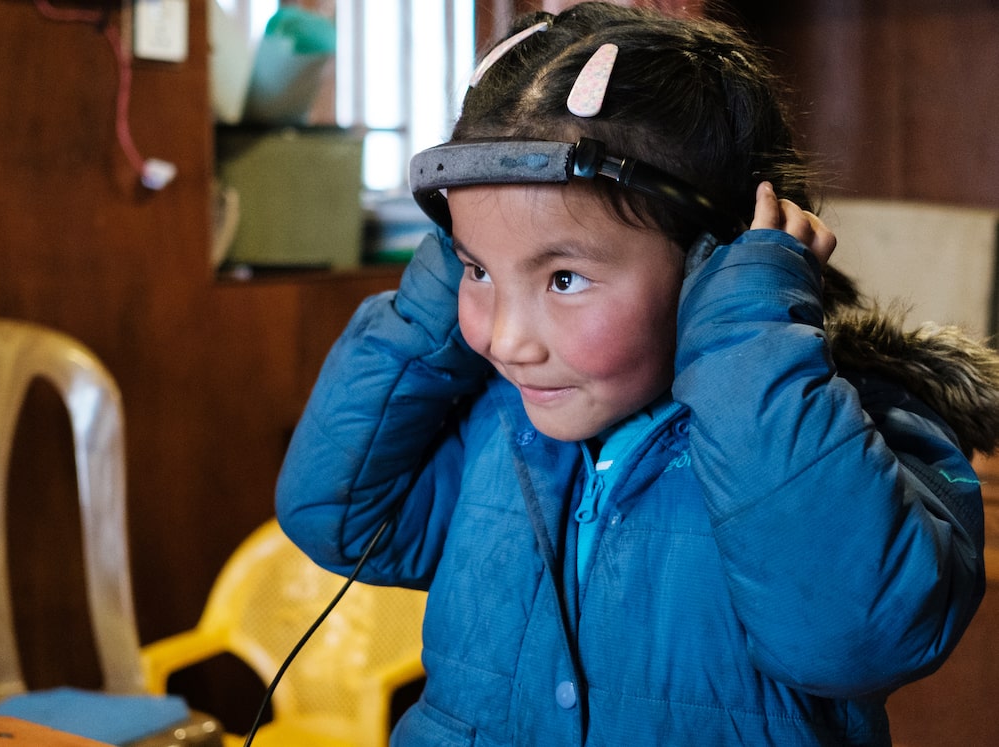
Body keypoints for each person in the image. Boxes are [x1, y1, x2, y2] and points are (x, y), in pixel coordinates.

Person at [274, 3, 999, 745]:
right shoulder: (499, 423)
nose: (507, 339)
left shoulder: (849, 431)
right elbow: (336, 511)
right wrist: (447, 276)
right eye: (476, 271)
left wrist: (747, 342)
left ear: (713, 258)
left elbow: (857, 635)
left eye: (563, 278)